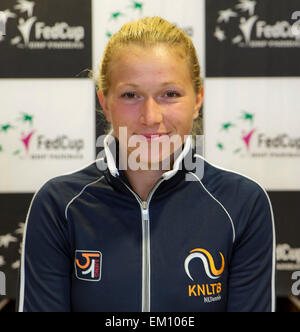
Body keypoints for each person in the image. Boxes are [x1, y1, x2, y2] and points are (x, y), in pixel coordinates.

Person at [17, 17, 276, 312]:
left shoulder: (243, 203)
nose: (151, 117)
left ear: (198, 100)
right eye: (131, 95)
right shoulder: (58, 204)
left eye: (170, 94)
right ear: (104, 103)